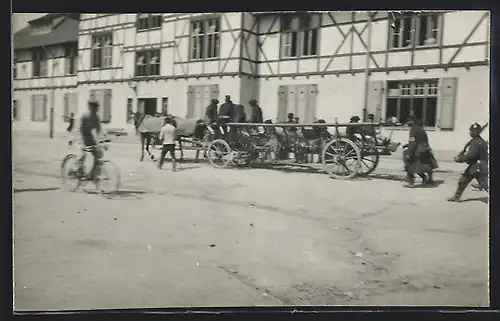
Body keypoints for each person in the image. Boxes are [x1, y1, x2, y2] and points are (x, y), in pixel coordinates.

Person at [447, 123, 489, 202]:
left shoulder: (477, 142)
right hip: (475, 166)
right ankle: (456, 197)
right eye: (471, 130)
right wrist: (460, 156)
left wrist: (460, 159)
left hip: (478, 166)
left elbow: (471, 155)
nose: (471, 132)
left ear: (477, 132)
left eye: (473, 131)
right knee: (463, 181)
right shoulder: (476, 141)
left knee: (485, 184)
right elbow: (466, 151)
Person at [403, 117, 437, 187]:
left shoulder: (413, 129)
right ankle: (429, 179)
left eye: (408, 121)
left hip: (417, 151)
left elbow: (413, 142)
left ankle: (411, 182)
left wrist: (409, 153)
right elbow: (423, 140)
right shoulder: (421, 129)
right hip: (424, 149)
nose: (407, 123)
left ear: (412, 121)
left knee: (409, 164)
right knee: (427, 164)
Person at [78, 100, 103, 180]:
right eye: (93, 108)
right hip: (83, 136)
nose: (95, 110)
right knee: (85, 154)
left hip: (90, 137)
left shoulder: (96, 117)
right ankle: (78, 169)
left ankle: (91, 174)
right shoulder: (85, 117)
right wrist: (83, 141)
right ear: (90, 108)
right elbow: (81, 129)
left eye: (96, 108)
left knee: (97, 155)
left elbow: (98, 129)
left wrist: (101, 140)